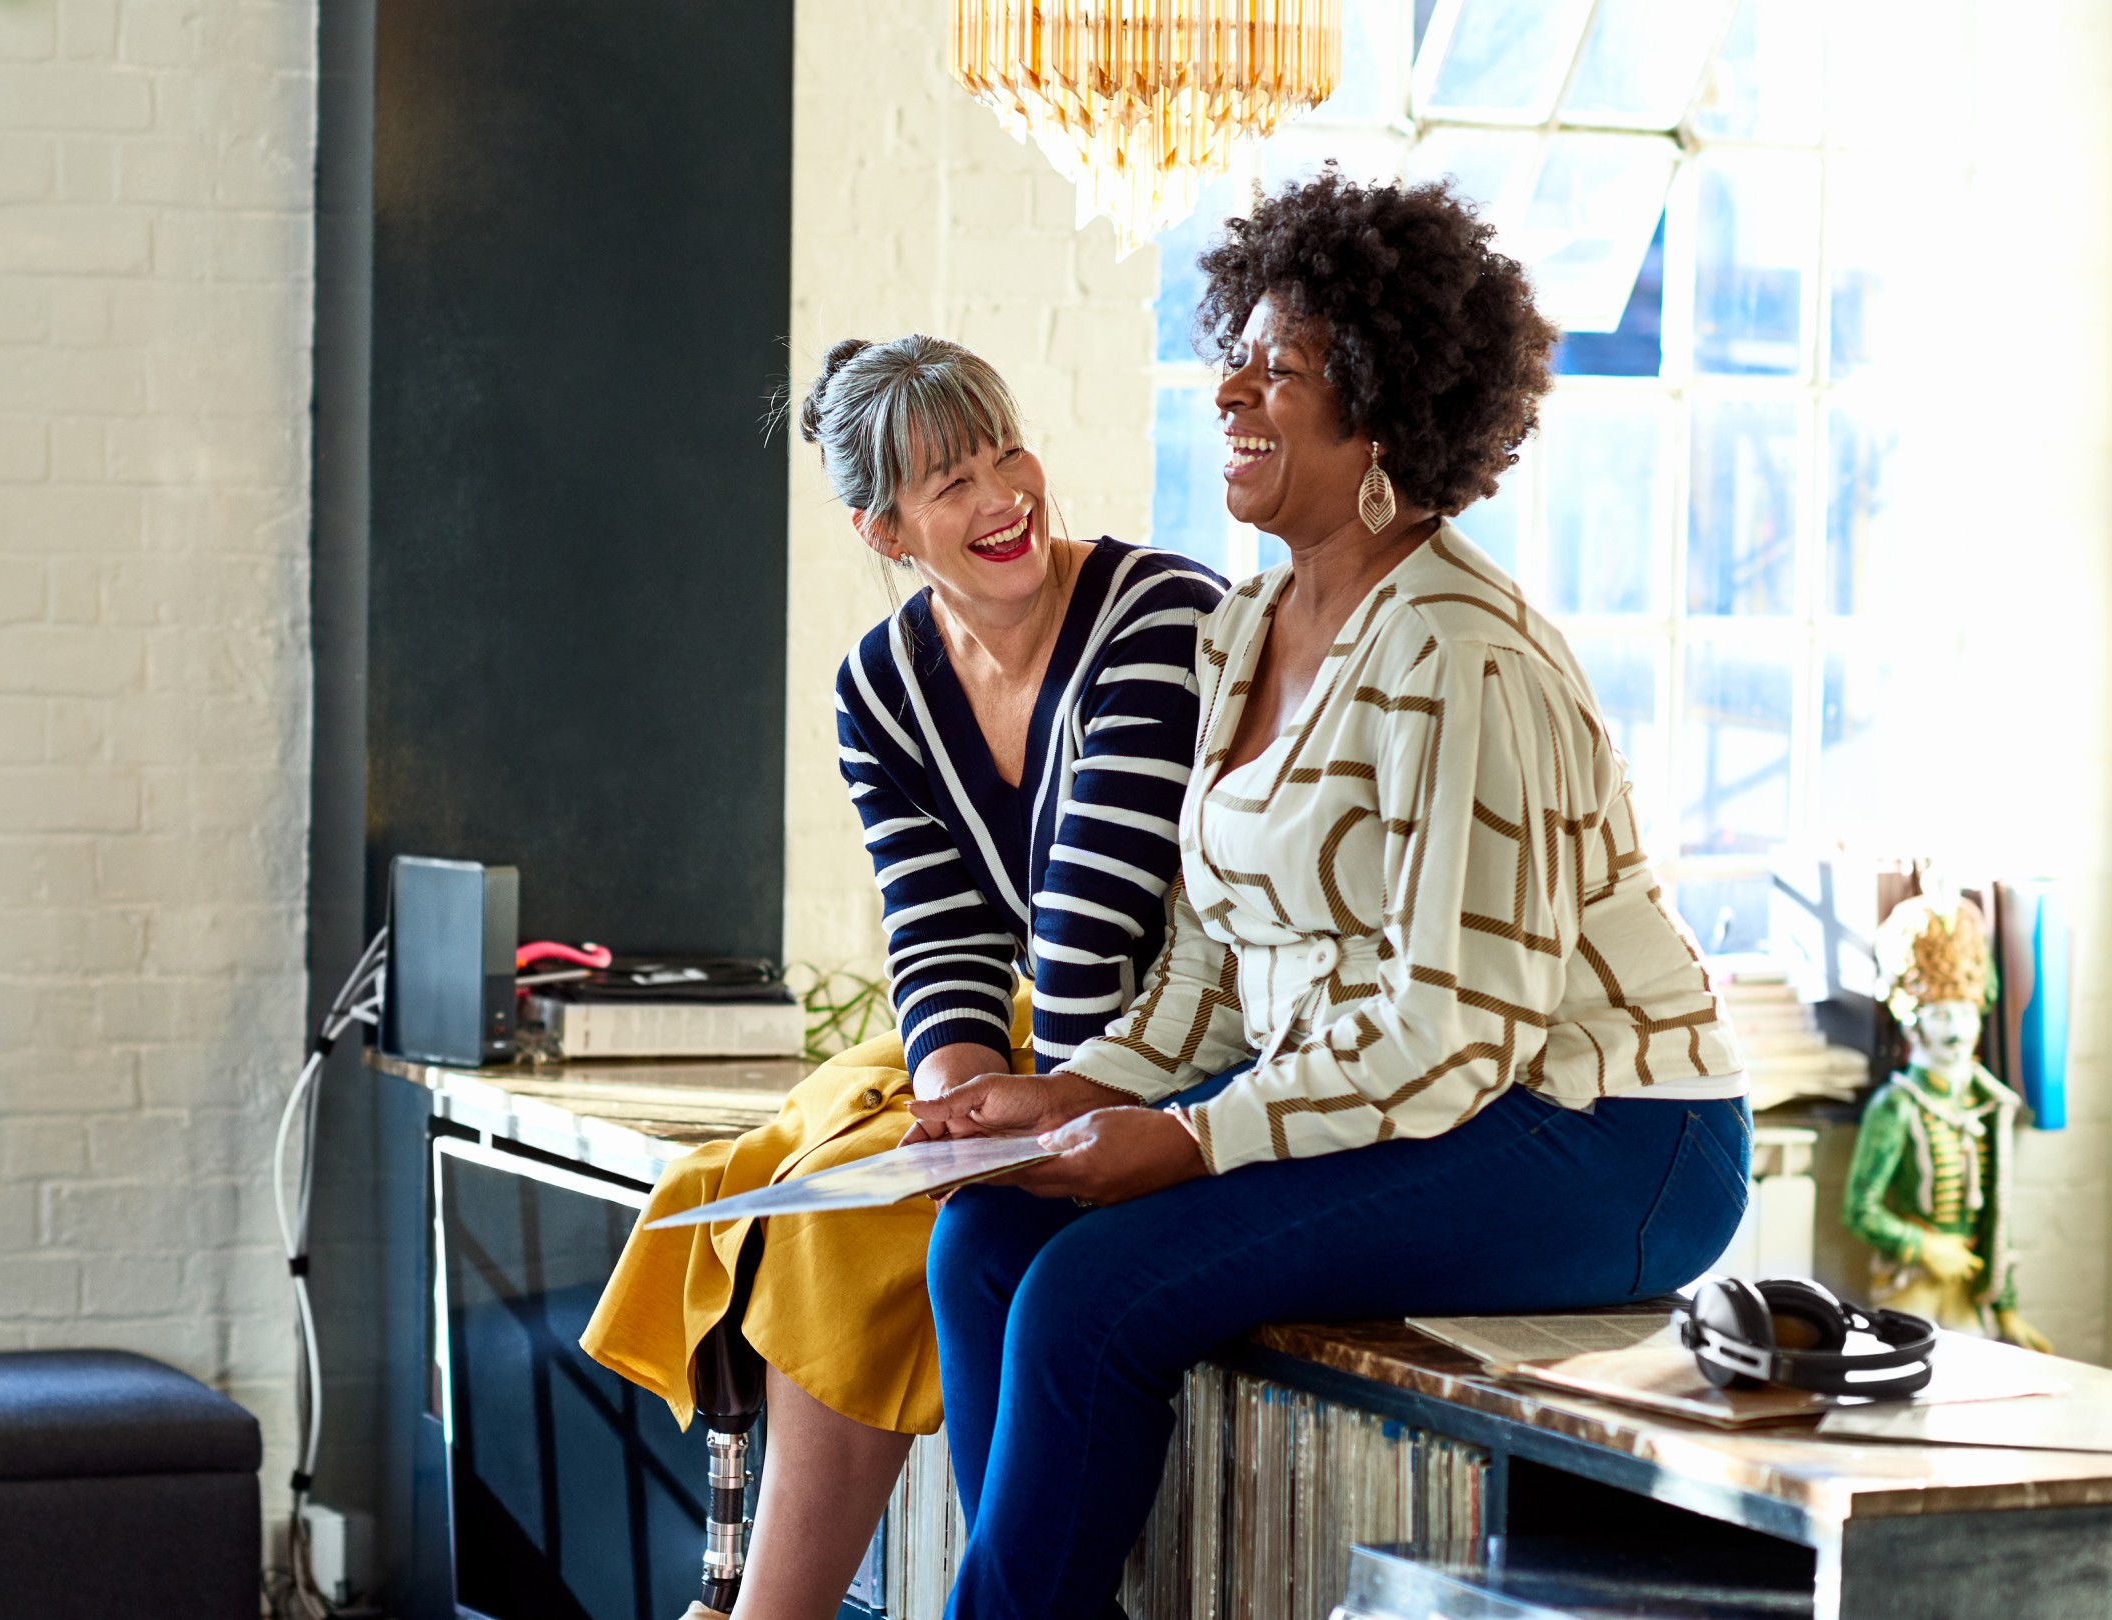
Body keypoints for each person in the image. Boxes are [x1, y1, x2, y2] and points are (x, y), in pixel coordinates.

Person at [908, 170, 1752, 1619]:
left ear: (1379, 411)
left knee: (1090, 1294)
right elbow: (1215, 966)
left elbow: (1452, 1037)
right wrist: (1070, 1091)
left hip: (1599, 1135)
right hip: (1432, 1098)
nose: (1227, 385)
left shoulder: (1463, 658)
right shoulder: (1248, 630)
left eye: (1276, 366)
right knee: (985, 1237)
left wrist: (1184, 1144)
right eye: (1232, 347)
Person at [579, 335, 1224, 1620]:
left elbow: (1099, 920)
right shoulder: (878, 686)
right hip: (1051, 1039)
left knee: (879, 1208)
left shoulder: (1161, 613)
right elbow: (932, 929)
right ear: (885, 531)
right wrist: (958, 1088)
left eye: (1006, 452)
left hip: (1184, 1031)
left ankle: (771, 1610)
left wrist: (1031, 1109)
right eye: (951, 483)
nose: (1003, 498)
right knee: (828, 1169)